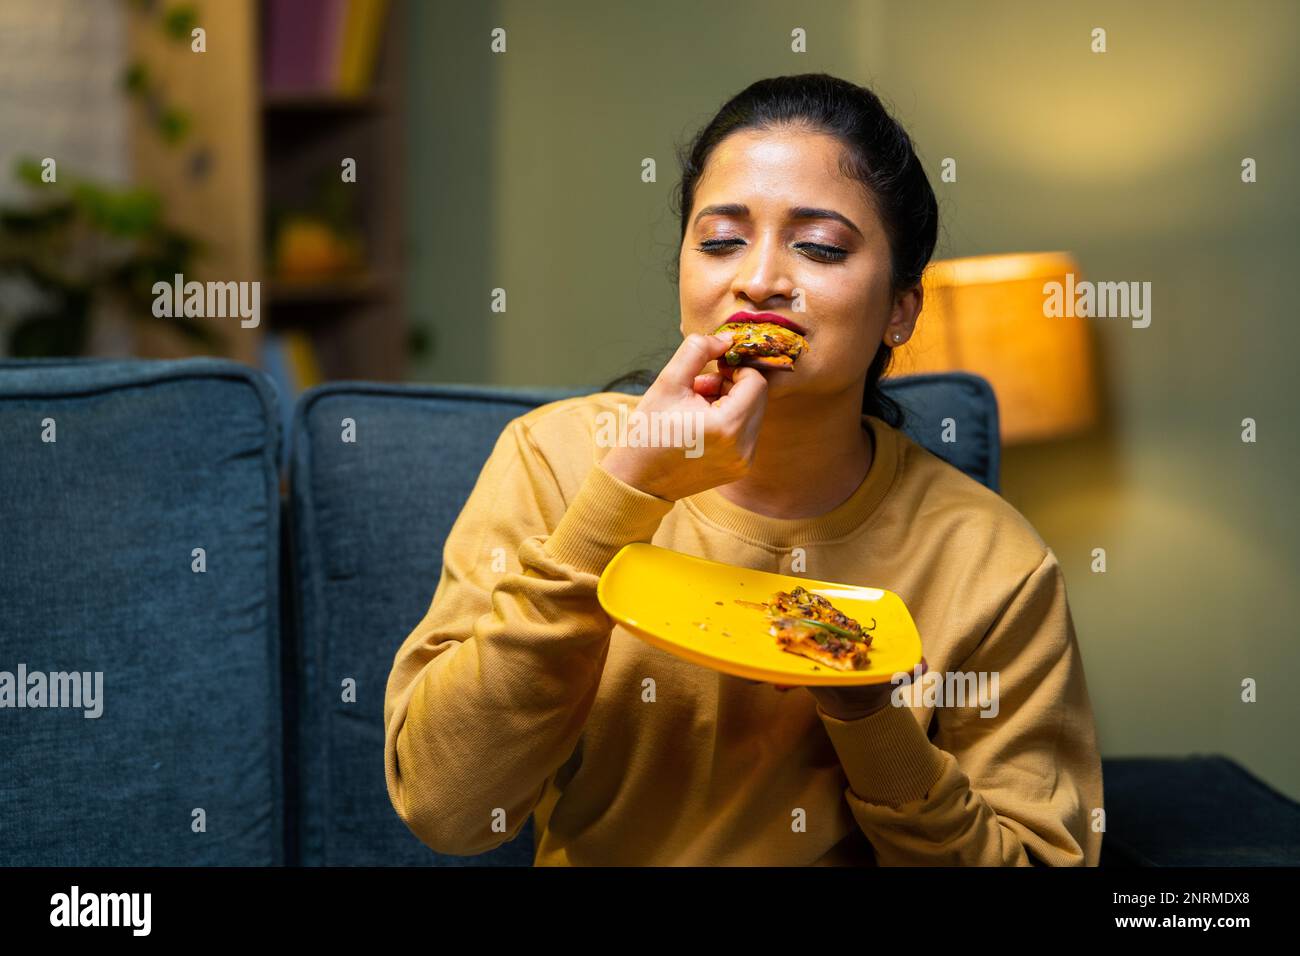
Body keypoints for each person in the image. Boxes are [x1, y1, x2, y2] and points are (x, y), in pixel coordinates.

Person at [383, 73, 1104, 866]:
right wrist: (625, 497)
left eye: (820, 246)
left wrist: (871, 719)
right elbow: (448, 810)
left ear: (901, 307)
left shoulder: (994, 561)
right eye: (722, 240)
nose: (757, 279)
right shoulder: (553, 461)